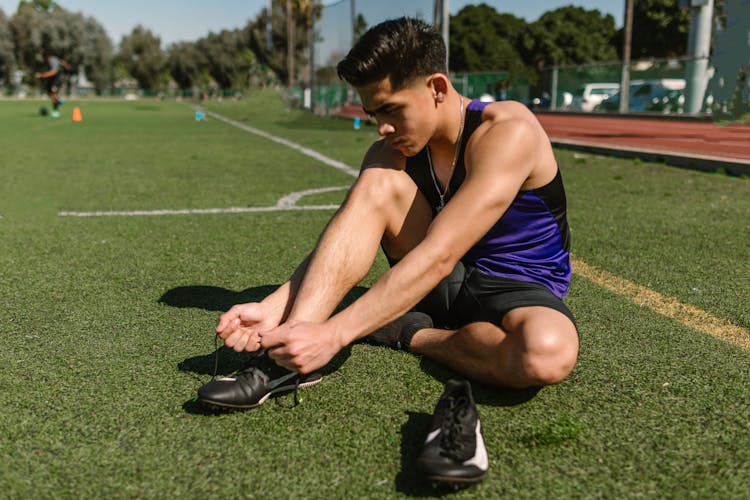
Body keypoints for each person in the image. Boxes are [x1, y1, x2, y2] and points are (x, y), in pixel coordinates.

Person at [198, 17, 579, 486]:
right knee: (377, 181)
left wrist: (337, 335)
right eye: (373, 112)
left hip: (515, 284)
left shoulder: (508, 130)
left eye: (391, 109)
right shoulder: (392, 146)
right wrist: (273, 307)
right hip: (436, 281)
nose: (381, 126)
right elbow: (346, 234)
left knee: (547, 355)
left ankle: (408, 333)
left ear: (437, 87)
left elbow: (440, 253)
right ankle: (284, 363)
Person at [35, 53, 71, 118]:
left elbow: (54, 72)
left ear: (49, 57)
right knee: (51, 95)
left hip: (56, 80)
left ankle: (56, 112)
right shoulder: (55, 60)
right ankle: (59, 100)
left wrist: (42, 75)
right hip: (51, 80)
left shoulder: (53, 61)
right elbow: (63, 63)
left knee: (54, 95)